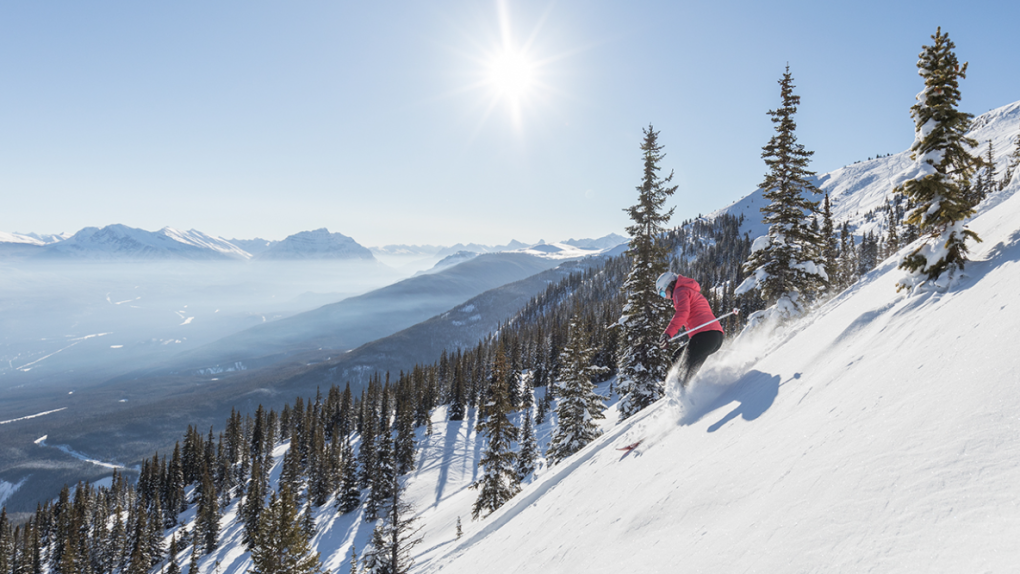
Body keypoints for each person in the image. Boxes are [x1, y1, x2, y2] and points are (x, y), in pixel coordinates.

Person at [655, 271, 724, 387]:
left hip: (704, 336)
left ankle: (689, 397)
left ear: (669, 285)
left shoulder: (679, 291)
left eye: (662, 293)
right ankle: (698, 387)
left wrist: (668, 334)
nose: (665, 298)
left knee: (684, 377)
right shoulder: (688, 291)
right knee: (677, 357)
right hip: (715, 337)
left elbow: (682, 313)